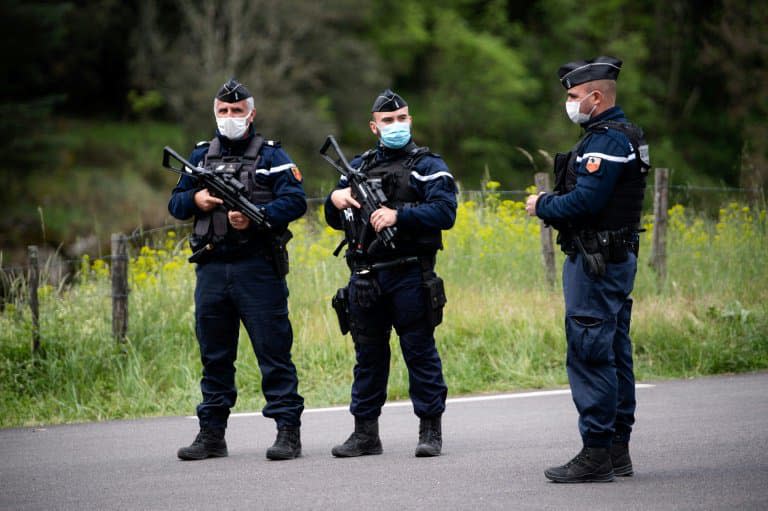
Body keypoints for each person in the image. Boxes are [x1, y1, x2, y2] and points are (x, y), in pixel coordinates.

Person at [525, 57, 650, 483]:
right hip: (612, 259)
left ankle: (597, 451)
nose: (570, 103)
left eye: (574, 96)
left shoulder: (606, 141)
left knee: (590, 351)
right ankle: (617, 450)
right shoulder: (624, 135)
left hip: (597, 263)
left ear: (596, 97)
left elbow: (585, 203)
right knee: (613, 350)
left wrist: (541, 204)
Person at [169, 79, 307, 461]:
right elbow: (176, 204)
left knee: (273, 352)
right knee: (214, 355)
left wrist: (257, 218)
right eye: (223, 111)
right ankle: (211, 435)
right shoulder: (199, 156)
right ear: (215, 113)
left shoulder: (272, 156)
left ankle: (287, 432)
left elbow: (295, 201)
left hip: (257, 269)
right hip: (212, 268)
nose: (230, 117)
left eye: (237, 110)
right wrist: (196, 198)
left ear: (251, 113)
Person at [324, 89, 457, 458]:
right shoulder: (358, 167)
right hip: (365, 275)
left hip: (410, 273)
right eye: (387, 121)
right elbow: (336, 218)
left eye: (401, 119)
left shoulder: (428, 165)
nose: (395, 125)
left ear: (410, 120)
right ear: (374, 126)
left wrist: (401, 215)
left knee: (419, 351)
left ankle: (430, 430)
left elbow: (446, 212)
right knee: (368, 356)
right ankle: (365, 433)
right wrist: (333, 201)